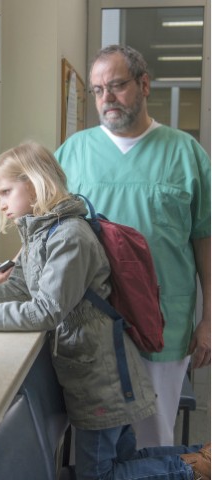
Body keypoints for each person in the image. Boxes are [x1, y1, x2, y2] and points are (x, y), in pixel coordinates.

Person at [0, 142, 210, 480]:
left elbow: (46, 311)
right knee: (119, 461)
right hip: (93, 374)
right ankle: (198, 460)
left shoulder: (69, 237)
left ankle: (192, 469)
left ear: (35, 183)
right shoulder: (41, 233)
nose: (2, 204)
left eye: (6, 192)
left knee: (99, 475)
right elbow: (20, 286)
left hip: (103, 380)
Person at [54, 44, 211, 449]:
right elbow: (47, 231)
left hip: (163, 321)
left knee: (153, 437)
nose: (106, 98)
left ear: (144, 84)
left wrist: (208, 319)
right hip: (90, 324)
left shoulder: (186, 153)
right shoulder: (73, 153)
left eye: (117, 85)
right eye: (98, 89)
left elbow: (204, 241)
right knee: (96, 446)